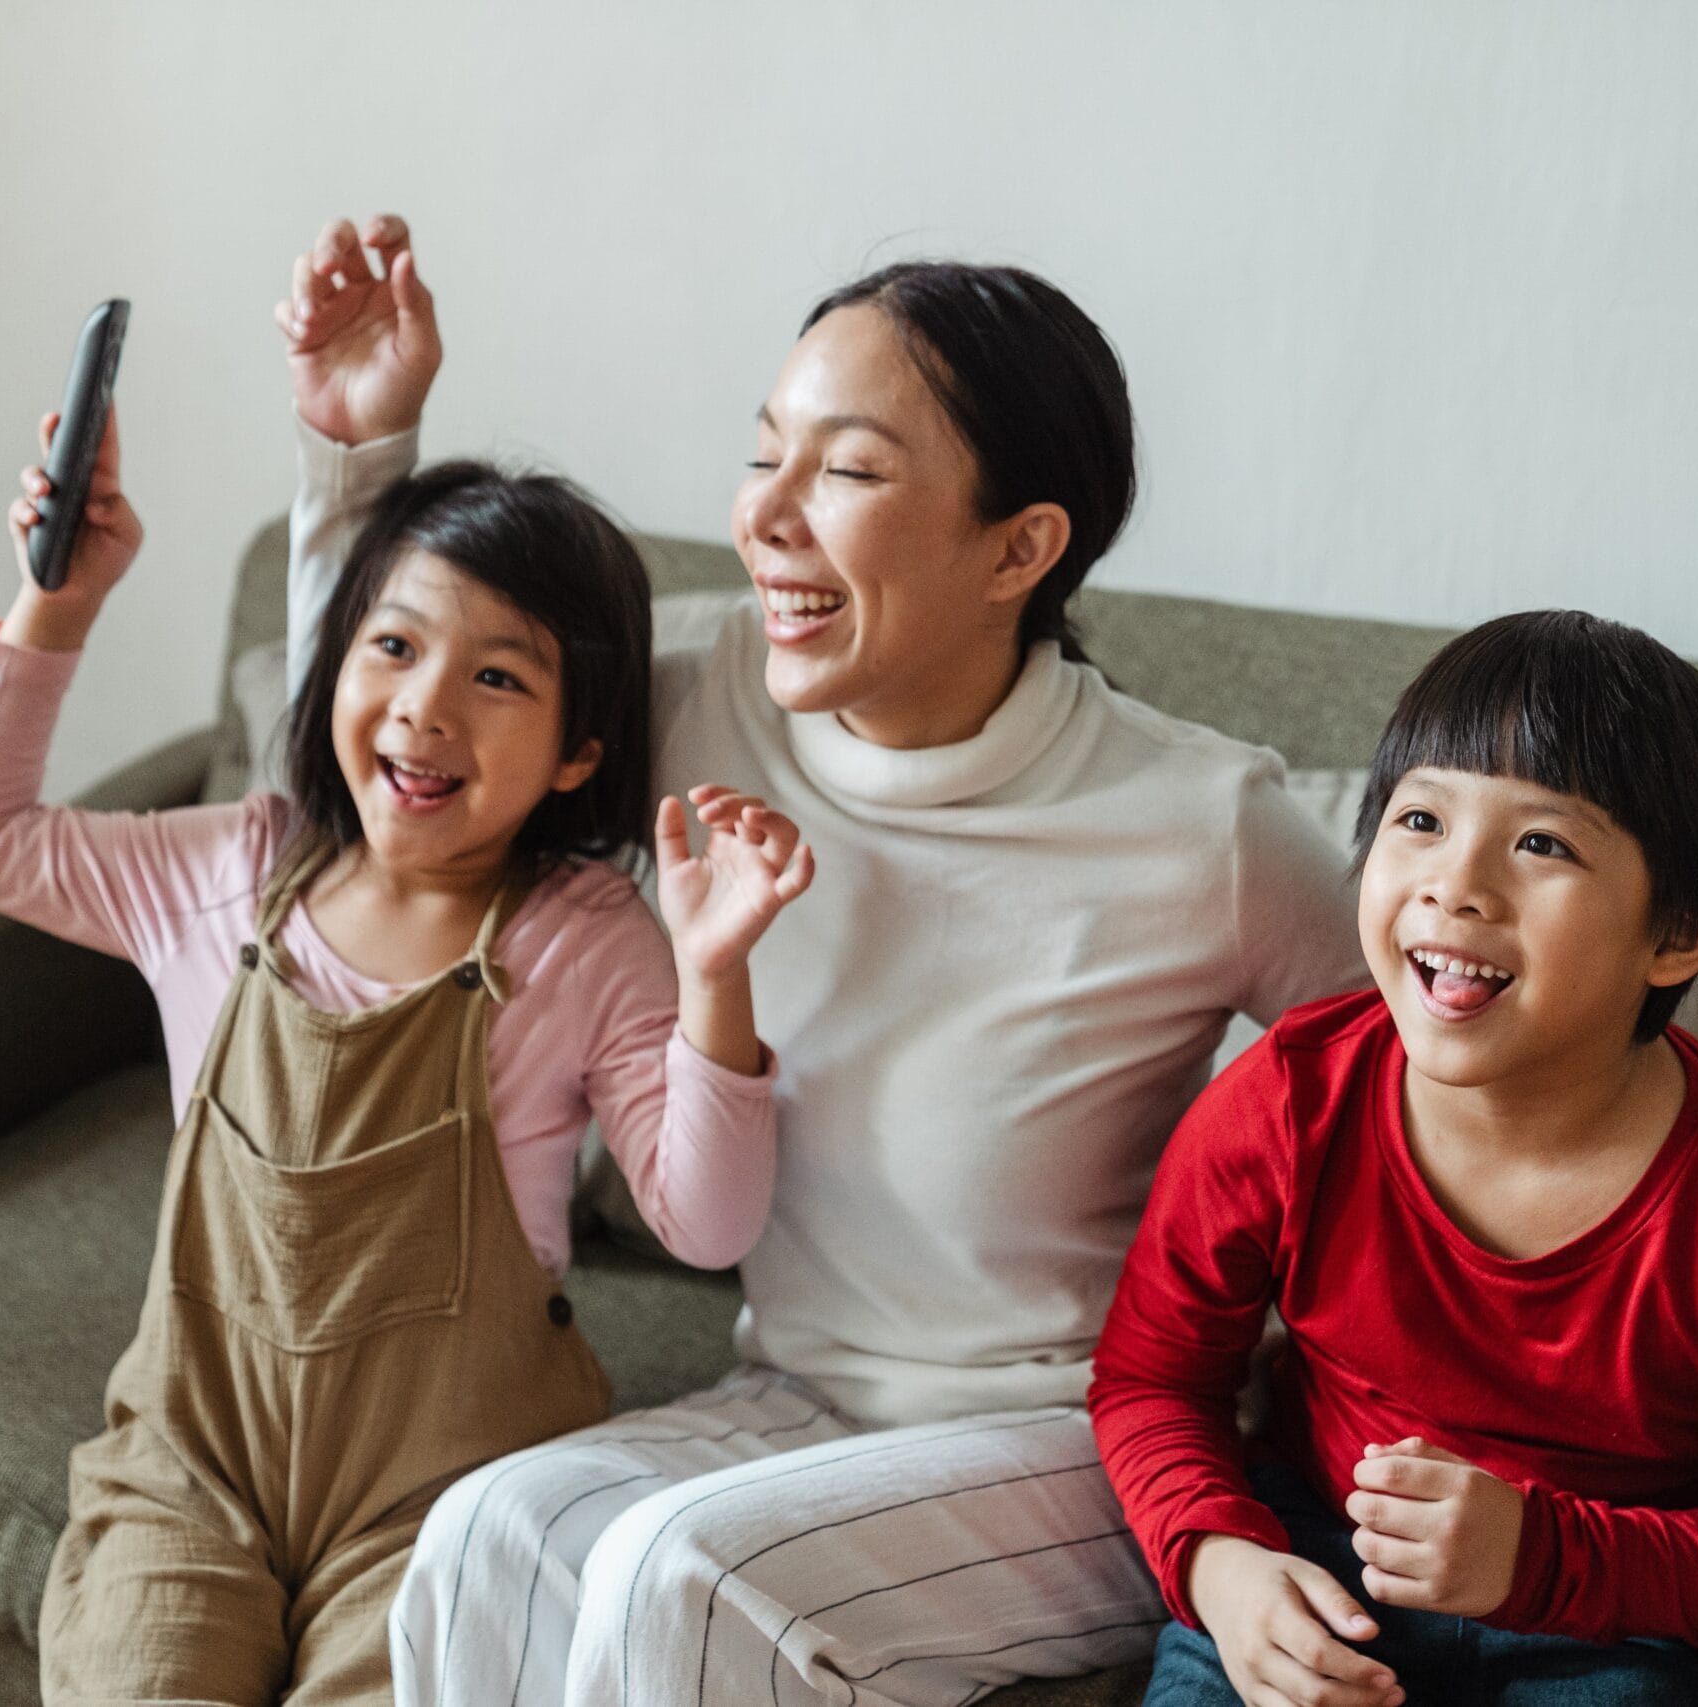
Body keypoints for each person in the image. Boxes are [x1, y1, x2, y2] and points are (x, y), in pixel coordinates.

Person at [277, 215, 1370, 1706]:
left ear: (1020, 547)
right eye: (765, 452)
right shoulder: (703, 694)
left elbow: (1441, 1090)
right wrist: (361, 455)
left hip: (1071, 1436)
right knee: (485, 1532)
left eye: (847, 470)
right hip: (791, 1393)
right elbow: (399, 753)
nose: (767, 514)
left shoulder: (1205, 822)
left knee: (691, 1576)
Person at [0, 404, 813, 1705]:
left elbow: (708, 1223)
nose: (429, 706)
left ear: (580, 752)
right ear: (336, 669)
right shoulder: (229, 869)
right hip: (187, 1472)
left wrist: (715, 976)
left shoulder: (582, 936)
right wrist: (60, 594)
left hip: (447, 1502)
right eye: (395, 645)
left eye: (501, 676)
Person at [1089, 611, 1698, 1707]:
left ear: (1675, 935)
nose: (1456, 883)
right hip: (1321, 1553)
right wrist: (1219, 1563)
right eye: (1421, 818)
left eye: (1542, 844)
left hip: (1631, 1618)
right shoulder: (1286, 1103)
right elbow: (1154, 1378)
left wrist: (1542, 1558)